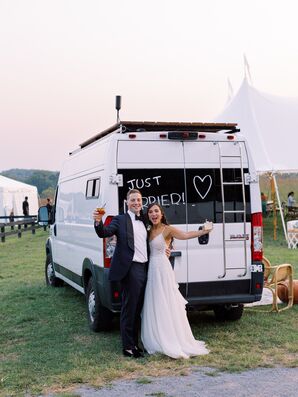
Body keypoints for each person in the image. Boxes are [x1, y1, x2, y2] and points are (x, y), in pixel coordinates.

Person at [141, 203, 212, 359]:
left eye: (156, 211)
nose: (153, 214)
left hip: (163, 270)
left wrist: (203, 232)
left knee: (166, 301)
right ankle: (156, 337)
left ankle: (171, 339)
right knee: (154, 302)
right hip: (152, 270)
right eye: (151, 212)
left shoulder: (168, 229)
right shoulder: (148, 231)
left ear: (161, 213)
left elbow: (185, 235)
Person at [93, 189, 148, 359]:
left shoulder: (145, 219)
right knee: (129, 308)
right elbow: (104, 232)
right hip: (130, 268)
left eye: (138, 200)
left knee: (138, 308)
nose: (136, 203)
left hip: (145, 267)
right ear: (127, 202)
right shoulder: (120, 219)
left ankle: (135, 343)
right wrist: (98, 221)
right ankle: (128, 346)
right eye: (133, 200)